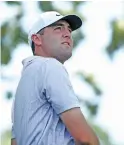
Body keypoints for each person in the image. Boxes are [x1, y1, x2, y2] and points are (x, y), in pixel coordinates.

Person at [11, 11, 100, 145]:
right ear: (37, 39)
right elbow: (85, 139)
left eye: (69, 30)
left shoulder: (21, 89)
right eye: (58, 28)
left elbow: (14, 142)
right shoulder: (49, 66)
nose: (67, 34)